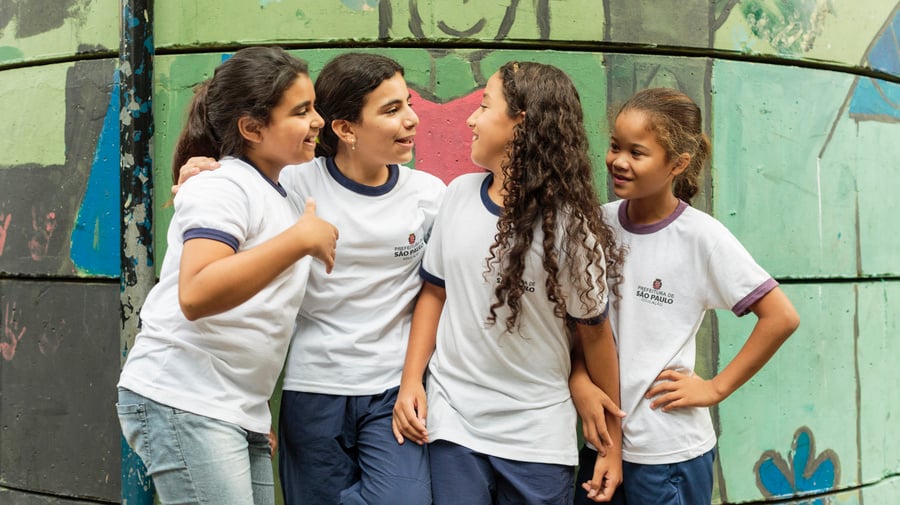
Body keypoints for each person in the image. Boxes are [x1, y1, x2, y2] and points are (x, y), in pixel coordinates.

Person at [176, 52, 445, 505]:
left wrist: (415, 381)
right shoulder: (294, 183)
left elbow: (438, 291)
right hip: (313, 388)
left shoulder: (430, 194)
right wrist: (196, 174)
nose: (412, 120)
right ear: (345, 129)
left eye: (409, 103)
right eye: (392, 109)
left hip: (392, 391)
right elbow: (232, 228)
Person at [391, 61, 625, 505]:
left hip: (538, 438)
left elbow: (595, 338)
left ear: (521, 122)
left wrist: (609, 446)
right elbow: (434, 293)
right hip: (453, 424)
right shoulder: (458, 195)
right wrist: (411, 382)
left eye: (484, 106)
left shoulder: (571, 229)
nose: (472, 118)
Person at [116, 46, 339, 505]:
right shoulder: (225, 186)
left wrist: (254, 411)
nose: (317, 121)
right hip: (185, 396)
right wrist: (300, 240)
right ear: (252, 128)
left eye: (314, 107)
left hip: (234, 409)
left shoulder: (274, 193)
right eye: (301, 111)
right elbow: (197, 293)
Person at [572, 87, 800, 505]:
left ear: (678, 163)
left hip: (668, 454)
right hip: (602, 447)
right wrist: (579, 380)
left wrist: (714, 389)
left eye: (636, 152)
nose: (618, 161)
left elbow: (781, 317)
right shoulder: (596, 225)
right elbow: (579, 328)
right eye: (614, 146)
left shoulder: (702, 238)